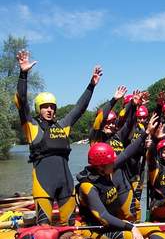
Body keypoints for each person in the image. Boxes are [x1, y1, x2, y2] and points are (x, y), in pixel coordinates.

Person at [76, 114, 165, 239]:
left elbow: (127, 153)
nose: (114, 164)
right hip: (94, 230)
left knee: (148, 227)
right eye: (111, 162)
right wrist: (129, 226)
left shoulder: (106, 169)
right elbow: (104, 217)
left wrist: (146, 132)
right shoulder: (87, 186)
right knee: (128, 235)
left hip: (110, 224)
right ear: (100, 166)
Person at [15, 50, 102, 225]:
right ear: (39, 109)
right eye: (45, 107)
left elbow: (79, 108)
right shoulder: (32, 127)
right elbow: (22, 101)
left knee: (70, 227)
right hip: (43, 185)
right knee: (44, 228)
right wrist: (23, 74)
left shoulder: (63, 126)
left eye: (52, 107)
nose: (49, 110)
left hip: (66, 184)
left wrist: (91, 85)